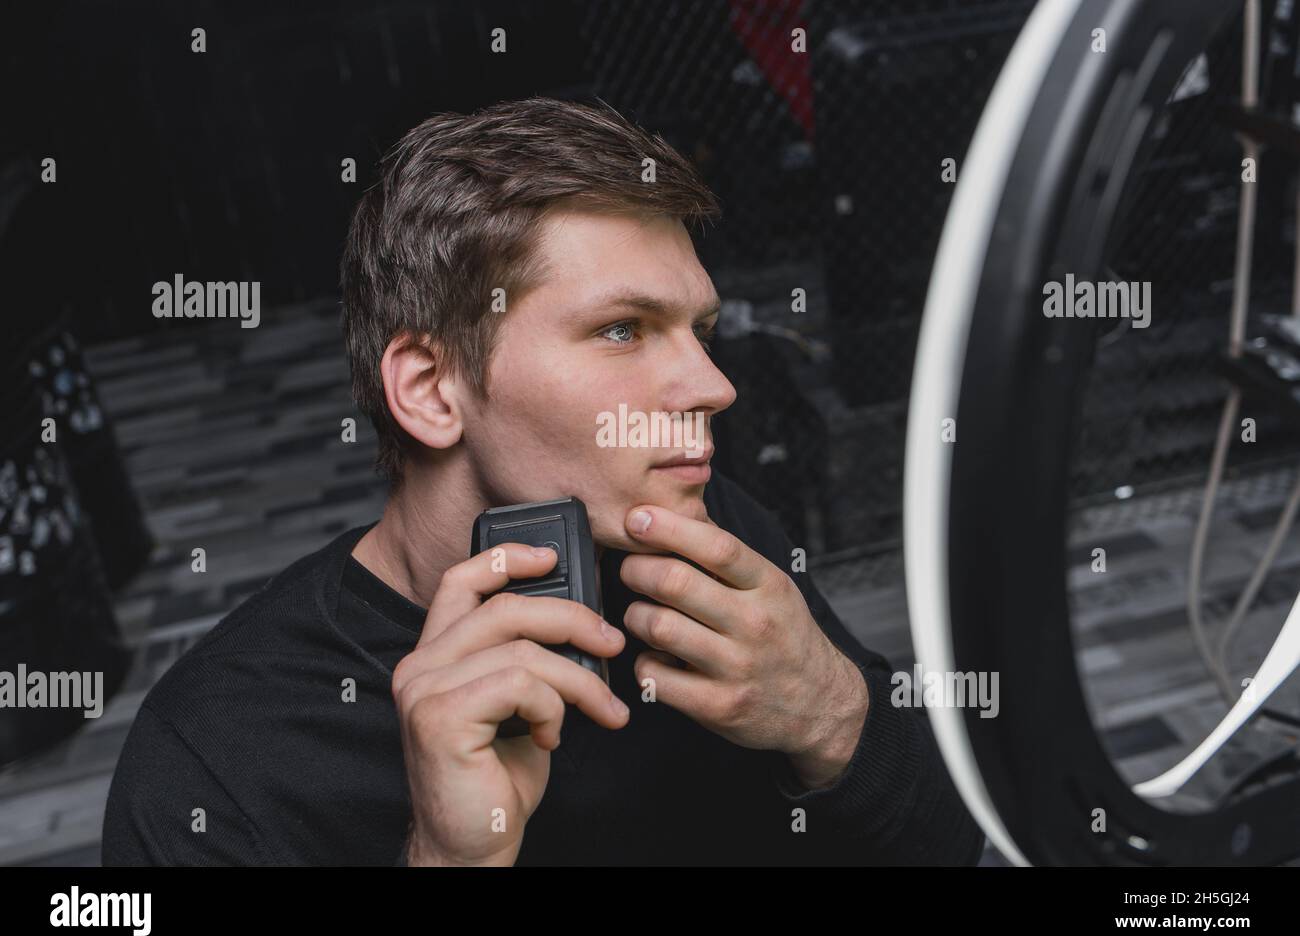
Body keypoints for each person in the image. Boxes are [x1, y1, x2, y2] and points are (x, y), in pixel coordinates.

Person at [102, 96, 985, 865]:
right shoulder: (214, 760)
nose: (715, 387)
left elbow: (948, 846)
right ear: (430, 390)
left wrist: (835, 719)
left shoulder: (705, 539)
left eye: (699, 331)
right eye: (622, 330)